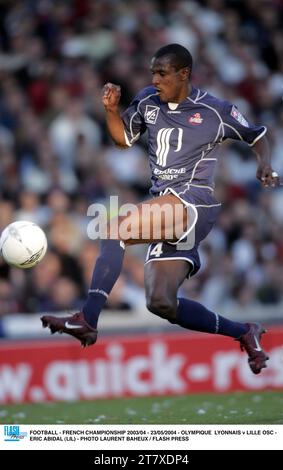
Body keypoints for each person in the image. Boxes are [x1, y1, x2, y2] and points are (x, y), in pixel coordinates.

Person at [41, 44, 280, 375]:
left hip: (193, 201)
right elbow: (123, 139)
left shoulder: (215, 110)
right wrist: (111, 111)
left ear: (184, 74)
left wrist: (264, 165)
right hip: (167, 204)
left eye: (162, 73)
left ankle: (88, 319)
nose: (155, 79)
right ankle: (244, 332)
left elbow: (258, 136)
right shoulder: (146, 101)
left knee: (114, 229)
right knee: (161, 303)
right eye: (153, 72)